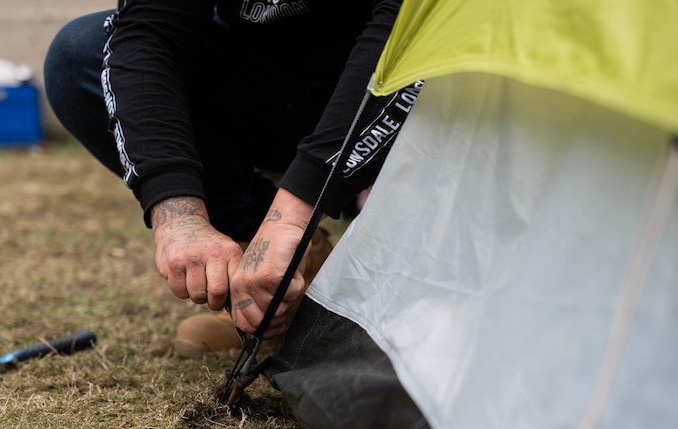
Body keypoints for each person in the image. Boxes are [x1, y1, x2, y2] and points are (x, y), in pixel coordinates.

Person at [45, 1, 417, 356]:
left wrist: (293, 216)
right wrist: (181, 218)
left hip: (408, 97)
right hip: (265, 84)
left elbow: (404, 32)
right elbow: (149, 34)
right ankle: (279, 276)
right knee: (81, 55)